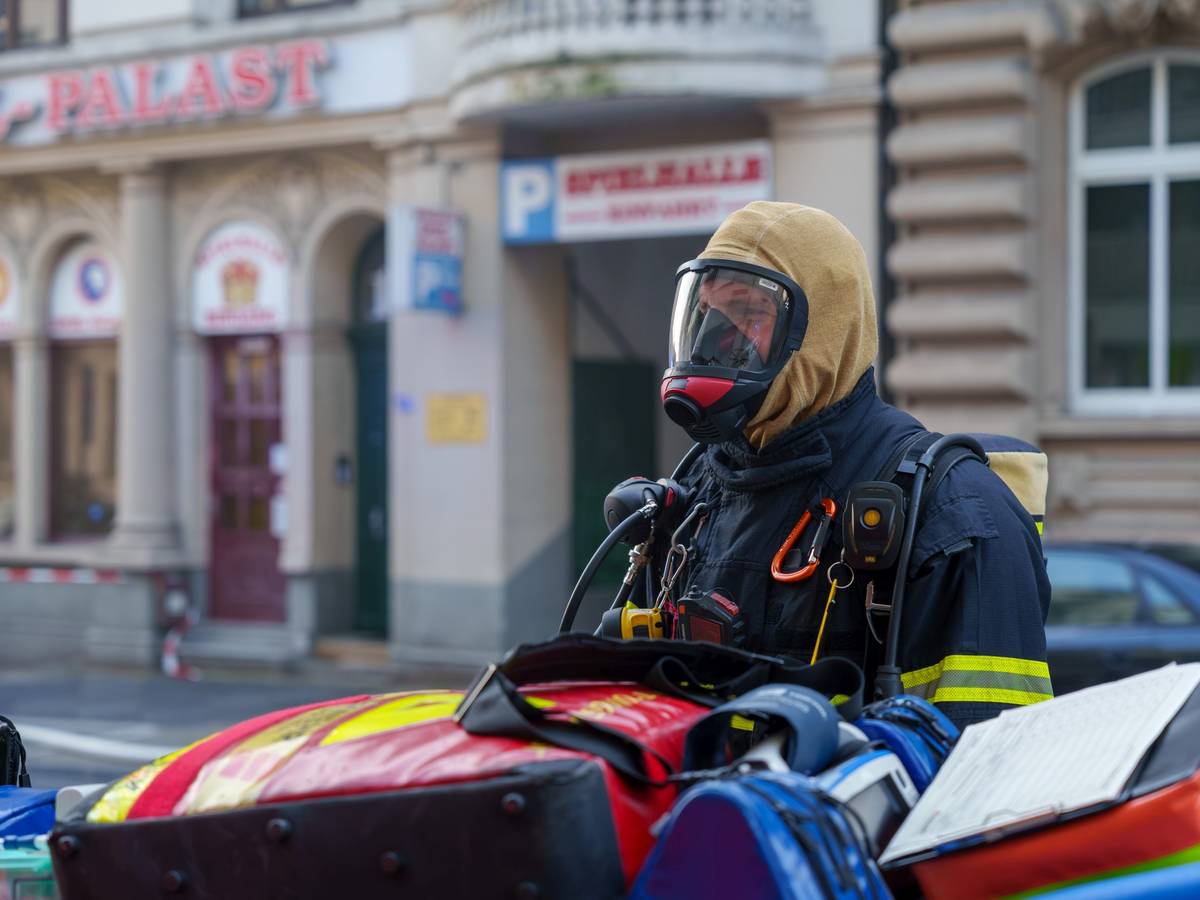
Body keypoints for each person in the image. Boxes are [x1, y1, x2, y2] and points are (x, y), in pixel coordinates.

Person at [656, 201, 1051, 729]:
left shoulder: (954, 514)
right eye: (709, 314)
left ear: (822, 330)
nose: (713, 344)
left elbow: (986, 778)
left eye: (747, 314)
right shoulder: (699, 492)